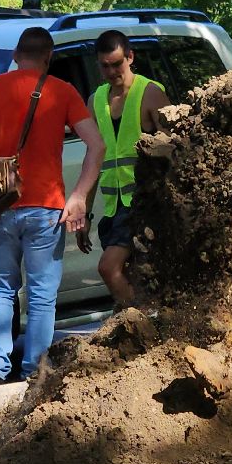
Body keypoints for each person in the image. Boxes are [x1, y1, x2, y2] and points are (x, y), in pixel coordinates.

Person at [0, 26, 102, 382]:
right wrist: (78, 197)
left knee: (1, 288)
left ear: (15, 55)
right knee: (42, 295)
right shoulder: (63, 92)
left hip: (1, 204)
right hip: (46, 207)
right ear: (49, 58)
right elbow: (97, 145)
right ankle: (35, 373)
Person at [78, 30, 168, 307]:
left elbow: (175, 151)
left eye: (117, 64)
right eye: (105, 66)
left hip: (143, 205)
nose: (111, 71)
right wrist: (85, 210)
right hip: (113, 208)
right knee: (134, 275)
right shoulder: (96, 100)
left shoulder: (150, 93)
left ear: (130, 57)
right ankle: (146, 325)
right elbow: (93, 158)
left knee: (109, 268)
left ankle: (143, 324)